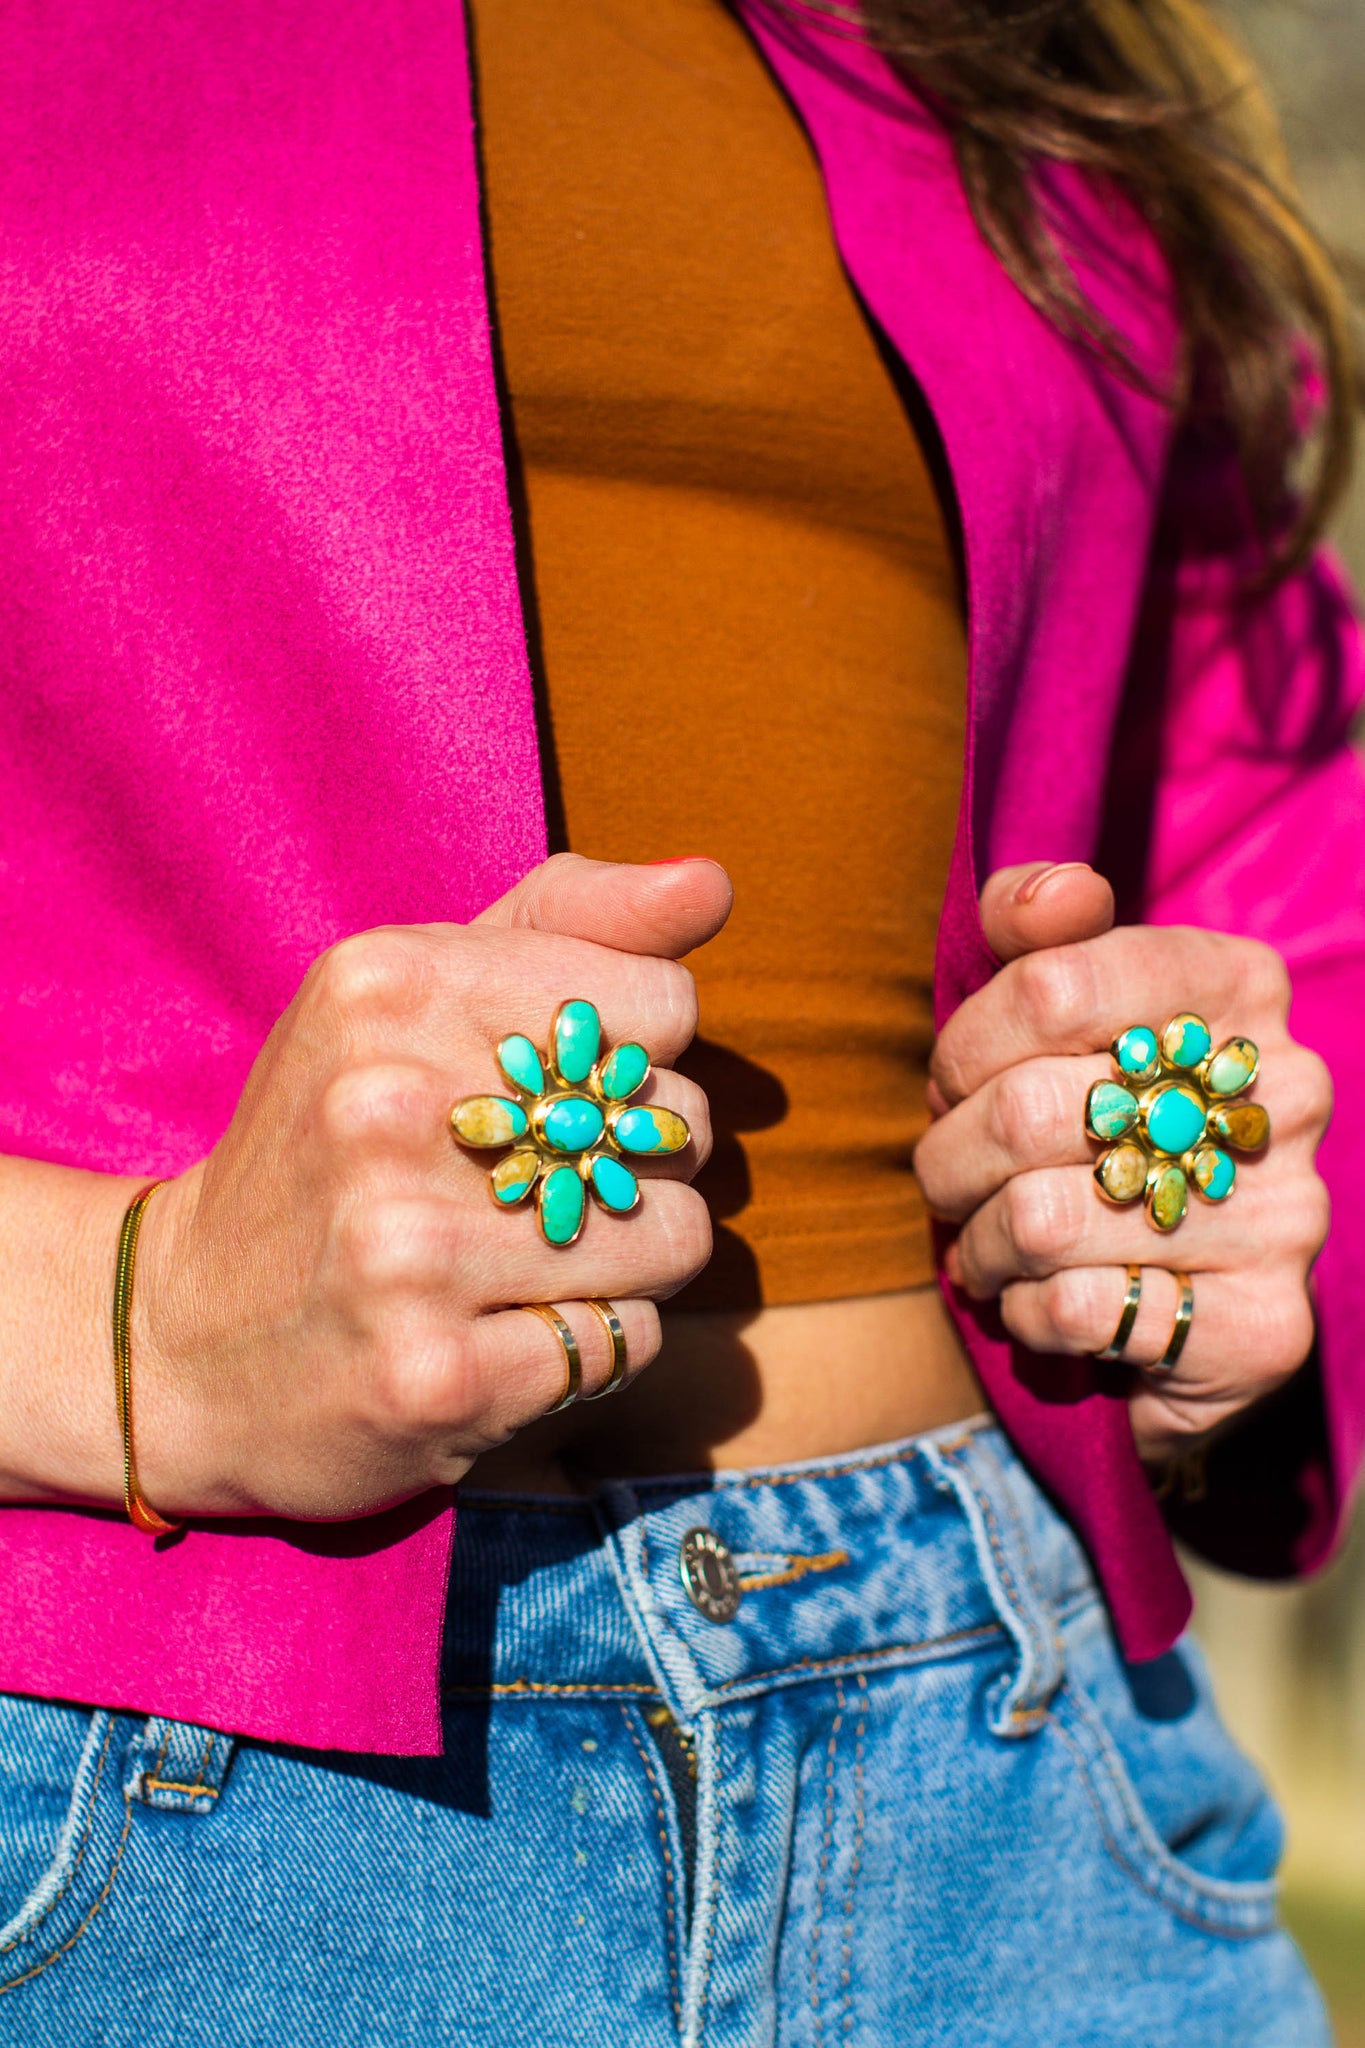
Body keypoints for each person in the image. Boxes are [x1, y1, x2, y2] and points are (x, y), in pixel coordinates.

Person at [0, 0, 1358, 2039]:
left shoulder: (985, 57)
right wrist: (115, 1318)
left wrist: (1222, 1221)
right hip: (136, 1798)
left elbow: (1266, 797)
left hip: (1016, 1756)